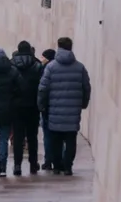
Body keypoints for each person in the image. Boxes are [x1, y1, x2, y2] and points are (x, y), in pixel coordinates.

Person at [38, 37, 91, 176]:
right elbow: (86, 87)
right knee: (71, 140)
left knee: (56, 140)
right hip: (73, 110)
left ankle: (56, 166)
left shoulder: (50, 67)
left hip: (54, 110)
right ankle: (67, 166)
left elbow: (43, 88)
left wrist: (42, 105)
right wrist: (83, 103)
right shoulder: (80, 67)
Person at [11, 41, 45, 176]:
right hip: (33, 105)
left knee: (18, 137)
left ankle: (17, 165)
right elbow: (42, 86)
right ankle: (33, 164)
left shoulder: (11, 64)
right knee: (32, 136)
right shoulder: (37, 65)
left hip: (16, 106)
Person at [39, 48, 57, 171]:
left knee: (48, 135)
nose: (42, 59)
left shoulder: (46, 69)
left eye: (43, 56)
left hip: (48, 107)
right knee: (60, 136)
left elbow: (43, 90)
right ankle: (59, 161)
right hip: (60, 108)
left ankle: (48, 161)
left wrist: (41, 106)